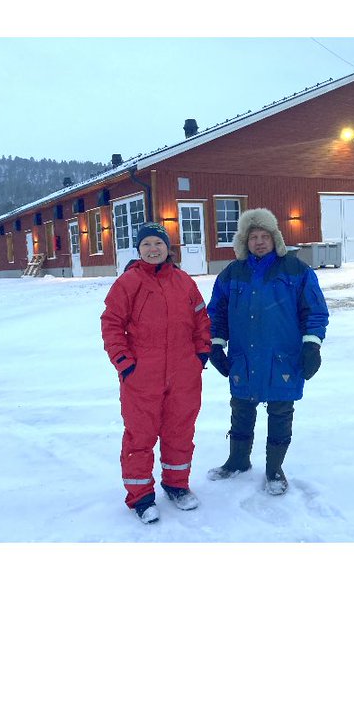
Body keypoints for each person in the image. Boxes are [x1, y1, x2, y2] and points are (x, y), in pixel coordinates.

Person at [207, 207, 329, 494]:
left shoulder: (296, 270)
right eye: (253, 237)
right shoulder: (232, 273)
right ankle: (237, 461)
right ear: (244, 242)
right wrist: (215, 344)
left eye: (264, 236)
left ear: (275, 239)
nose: (259, 242)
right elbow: (217, 312)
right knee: (241, 409)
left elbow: (315, 311)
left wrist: (312, 345)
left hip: (283, 356)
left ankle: (275, 469)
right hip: (244, 356)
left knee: (280, 410)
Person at [101, 222, 211, 524]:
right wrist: (125, 363)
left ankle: (177, 485)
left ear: (167, 248)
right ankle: (141, 497)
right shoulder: (128, 283)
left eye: (158, 244)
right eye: (147, 244)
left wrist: (200, 355)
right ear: (138, 250)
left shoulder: (184, 282)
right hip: (141, 377)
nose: (153, 249)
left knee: (180, 432)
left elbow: (202, 319)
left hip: (184, 374)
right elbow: (111, 324)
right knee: (140, 436)